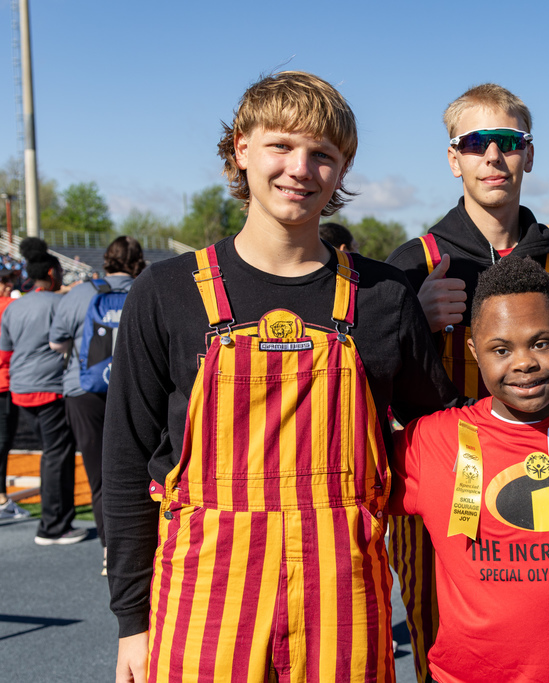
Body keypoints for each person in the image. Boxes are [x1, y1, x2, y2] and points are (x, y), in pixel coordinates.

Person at [103, 71, 458, 683]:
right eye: (281, 145)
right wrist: (132, 622)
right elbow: (126, 462)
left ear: (343, 171)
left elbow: (444, 432)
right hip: (204, 591)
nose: (300, 168)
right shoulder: (165, 293)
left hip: (343, 592)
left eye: (323, 154)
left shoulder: (383, 296)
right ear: (241, 148)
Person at [385, 83, 549, 682]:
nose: (492, 156)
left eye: (508, 142)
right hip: (446, 489)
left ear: (529, 154)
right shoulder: (412, 264)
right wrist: (415, 324)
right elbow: (375, 382)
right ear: (453, 159)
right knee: (447, 642)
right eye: (474, 143)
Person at [390, 256, 549, 682]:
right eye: (501, 349)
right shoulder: (430, 442)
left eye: (542, 342)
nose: (524, 362)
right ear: (474, 352)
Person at [49, 236, 145, 573]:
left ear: (106, 259)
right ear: (139, 262)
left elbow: (56, 342)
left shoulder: (79, 292)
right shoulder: (147, 289)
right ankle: (141, 547)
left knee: (100, 476)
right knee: (140, 471)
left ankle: (110, 551)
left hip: (84, 391)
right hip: (136, 391)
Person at [0, 238, 83, 544]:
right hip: (48, 388)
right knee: (56, 455)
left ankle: (55, 521)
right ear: (52, 274)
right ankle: (54, 526)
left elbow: (6, 351)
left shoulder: (14, 307)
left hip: (20, 388)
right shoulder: (60, 304)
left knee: (52, 453)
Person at [0, 268, 30, 520]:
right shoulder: (9, 306)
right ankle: (0, 498)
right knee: (2, 441)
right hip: (3, 382)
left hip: (6, 381)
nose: (8, 284)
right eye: (4, 281)